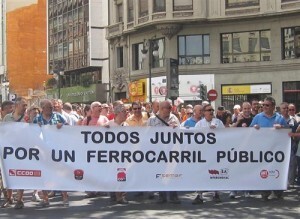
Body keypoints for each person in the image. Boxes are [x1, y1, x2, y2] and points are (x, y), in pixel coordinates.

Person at [250, 96, 288, 201]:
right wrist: (254, 128)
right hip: (262, 150)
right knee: (263, 170)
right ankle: (265, 192)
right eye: (263, 105)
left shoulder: (280, 118)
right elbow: (249, 132)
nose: (264, 107)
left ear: (273, 106)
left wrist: (282, 128)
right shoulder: (258, 117)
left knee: (277, 169)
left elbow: (288, 131)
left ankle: (278, 191)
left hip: (276, 150)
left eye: (267, 105)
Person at [33, 99, 69, 207]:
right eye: (49, 107)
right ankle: (45, 198)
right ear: (42, 109)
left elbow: (69, 128)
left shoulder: (58, 117)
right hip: (43, 151)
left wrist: (62, 126)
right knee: (44, 174)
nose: (51, 109)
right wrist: (36, 128)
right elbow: (31, 133)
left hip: (57, 150)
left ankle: (65, 197)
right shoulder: (37, 119)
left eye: (52, 107)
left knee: (60, 173)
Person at [147, 101, 181, 204]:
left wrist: (175, 128)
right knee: (160, 172)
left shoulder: (174, 118)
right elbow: (147, 135)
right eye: (168, 107)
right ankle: (162, 195)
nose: (171, 109)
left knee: (172, 172)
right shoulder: (152, 120)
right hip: (158, 151)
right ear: (161, 109)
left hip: (171, 150)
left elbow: (180, 132)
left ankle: (173, 195)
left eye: (170, 107)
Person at [193, 104, 224, 204]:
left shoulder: (219, 122)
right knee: (201, 174)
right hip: (203, 153)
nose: (211, 111)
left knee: (216, 173)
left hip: (216, 153)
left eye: (212, 110)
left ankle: (216, 194)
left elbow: (227, 135)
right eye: (208, 110)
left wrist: (217, 130)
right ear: (204, 112)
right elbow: (195, 137)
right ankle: (199, 195)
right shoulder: (199, 124)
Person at [1, 97, 28, 209]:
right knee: (8, 174)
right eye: (23, 105)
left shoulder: (26, 118)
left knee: (20, 174)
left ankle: (20, 199)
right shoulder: (7, 118)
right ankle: (9, 198)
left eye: (26, 105)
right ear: (17, 106)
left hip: (22, 151)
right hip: (9, 150)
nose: (25, 107)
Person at [106, 102, 129, 204]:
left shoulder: (127, 125)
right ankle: (115, 195)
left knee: (122, 175)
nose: (126, 113)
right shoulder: (108, 125)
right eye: (124, 111)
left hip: (124, 155)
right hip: (112, 156)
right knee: (113, 175)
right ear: (118, 113)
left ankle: (121, 196)